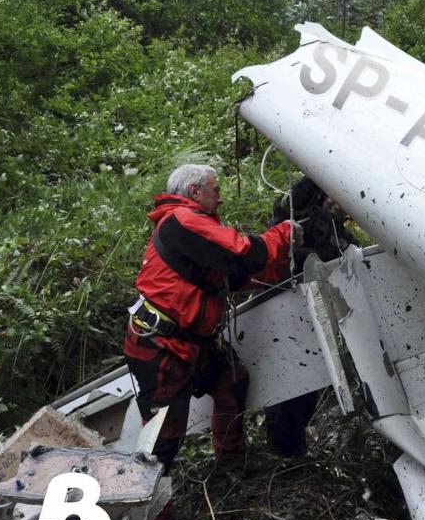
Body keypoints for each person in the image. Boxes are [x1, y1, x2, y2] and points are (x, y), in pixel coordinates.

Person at [124, 163, 301, 469]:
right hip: (162, 347)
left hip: (189, 342)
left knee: (232, 382)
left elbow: (231, 276)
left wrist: (280, 270)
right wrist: (284, 233)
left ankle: (230, 464)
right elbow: (244, 254)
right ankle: (153, 512)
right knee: (162, 439)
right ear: (195, 191)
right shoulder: (184, 220)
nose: (220, 198)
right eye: (215, 190)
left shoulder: (190, 226)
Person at [264, 177, 358, 457]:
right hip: (287, 301)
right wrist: (326, 218)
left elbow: (342, 249)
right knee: (290, 381)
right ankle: (284, 447)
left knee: (308, 380)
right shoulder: (302, 200)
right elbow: (296, 255)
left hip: (312, 307)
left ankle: (293, 444)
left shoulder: (330, 214)